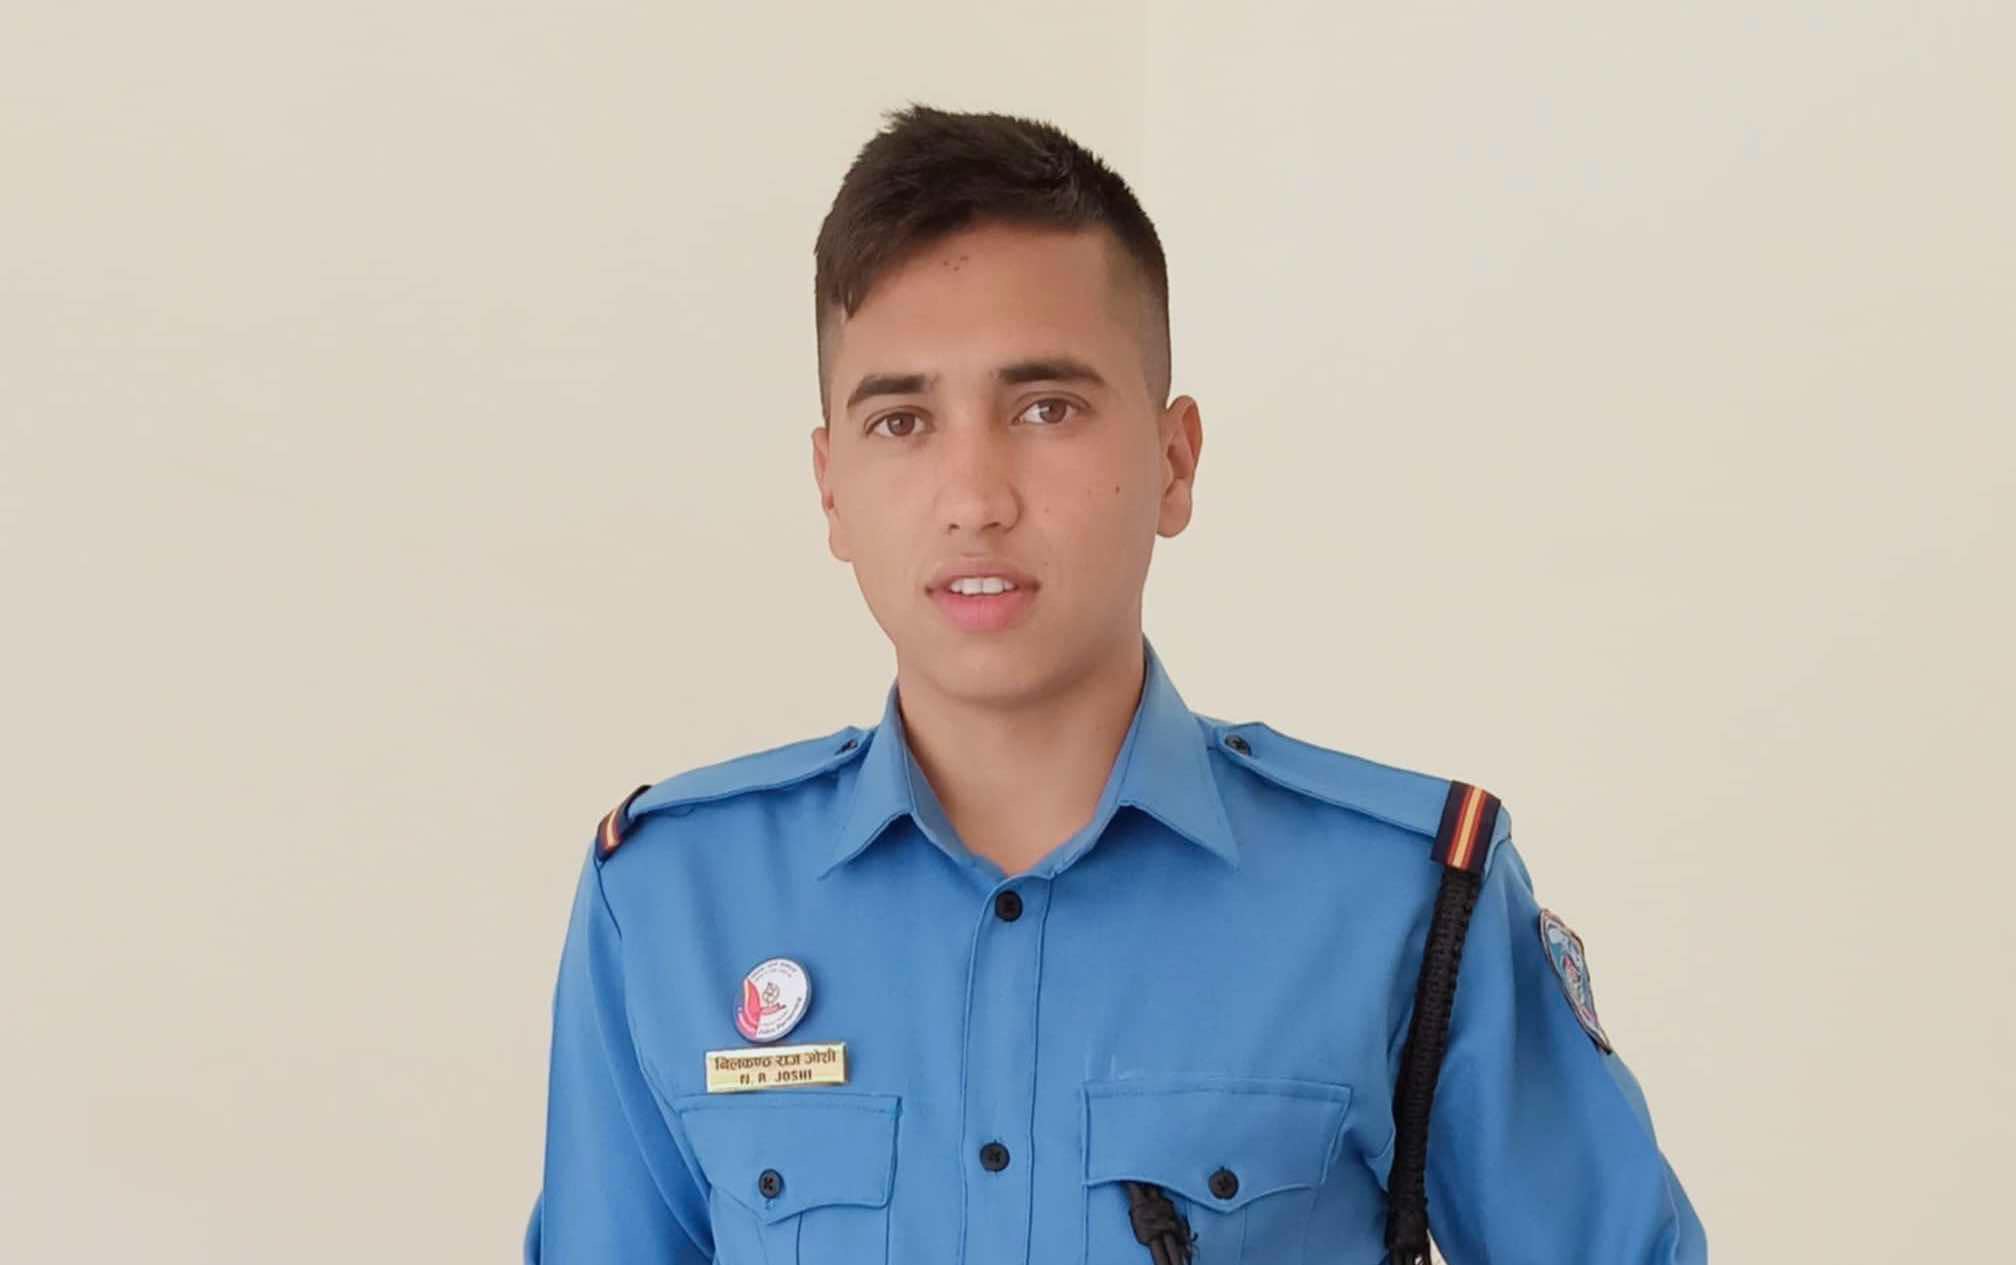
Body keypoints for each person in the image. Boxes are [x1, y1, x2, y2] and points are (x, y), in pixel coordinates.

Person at [523, 102, 1706, 1265]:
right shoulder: (671, 901)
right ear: (830, 486)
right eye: (902, 420)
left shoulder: (1405, 893)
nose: (976, 496)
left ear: (1174, 461)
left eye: (1047, 408)